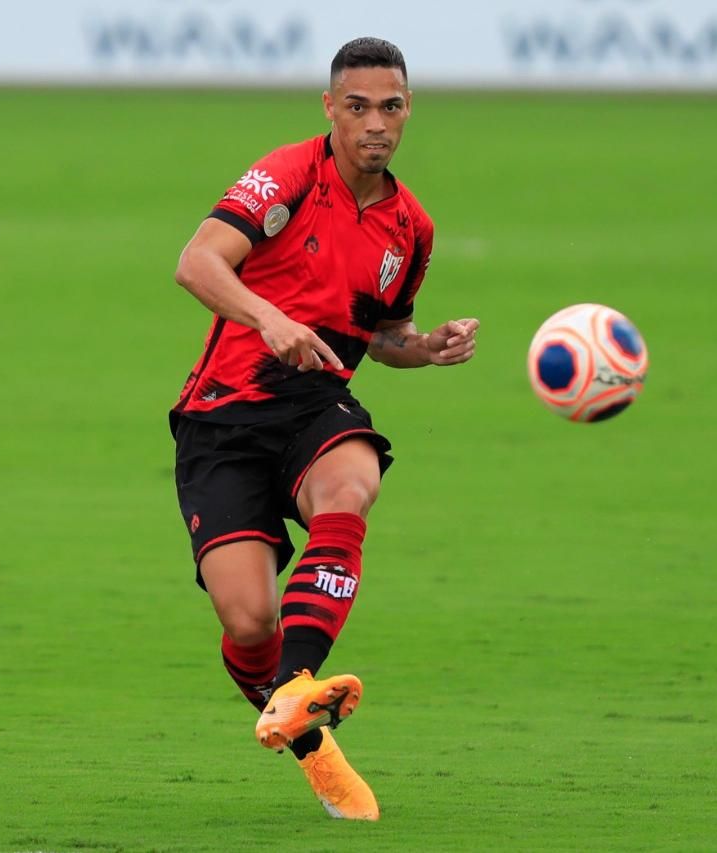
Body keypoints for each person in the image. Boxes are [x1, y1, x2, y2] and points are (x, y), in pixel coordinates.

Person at [169, 37, 479, 821]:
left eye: (392, 107)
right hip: (224, 413)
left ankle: (302, 683)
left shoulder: (412, 227)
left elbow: (382, 335)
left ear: (409, 110)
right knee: (247, 620)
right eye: (359, 106)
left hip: (315, 404)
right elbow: (198, 263)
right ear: (330, 108)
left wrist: (426, 349)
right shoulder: (289, 174)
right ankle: (308, 735)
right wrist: (268, 318)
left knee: (351, 482)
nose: (376, 123)